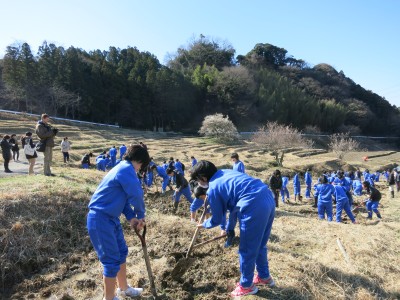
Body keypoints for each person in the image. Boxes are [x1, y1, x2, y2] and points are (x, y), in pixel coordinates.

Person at [191, 160, 275, 297]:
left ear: (203, 178)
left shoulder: (213, 187)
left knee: (247, 248)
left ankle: (246, 286)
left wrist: (204, 225)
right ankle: (264, 277)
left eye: (198, 180)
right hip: (267, 197)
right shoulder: (225, 172)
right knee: (260, 244)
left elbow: (217, 219)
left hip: (252, 204)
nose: (199, 183)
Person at [87, 145, 150, 300]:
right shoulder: (126, 169)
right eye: (142, 166)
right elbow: (136, 194)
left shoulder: (122, 168)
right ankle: (109, 298)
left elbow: (124, 200)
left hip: (111, 219)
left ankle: (123, 289)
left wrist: (131, 217)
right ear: (140, 162)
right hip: (100, 219)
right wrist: (141, 215)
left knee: (121, 253)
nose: (139, 170)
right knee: (111, 261)